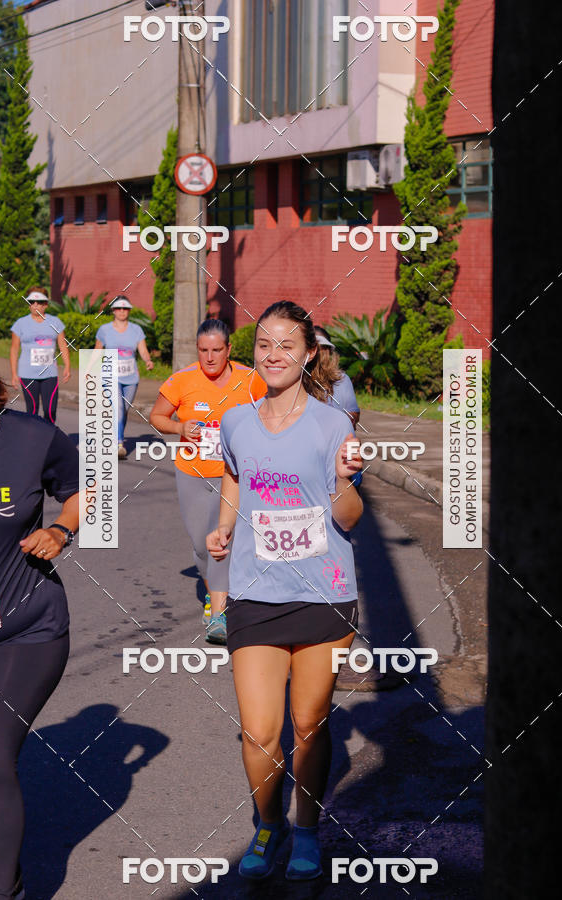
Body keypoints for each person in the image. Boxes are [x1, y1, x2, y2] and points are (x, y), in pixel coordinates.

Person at [206, 301, 363, 880]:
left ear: (307, 355)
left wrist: (344, 479)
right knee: (259, 730)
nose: (273, 355)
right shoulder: (236, 421)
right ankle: (267, 820)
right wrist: (224, 526)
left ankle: (306, 828)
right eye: (264, 345)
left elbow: (349, 517)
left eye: (286, 346)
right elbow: (233, 475)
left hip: (322, 593)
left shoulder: (332, 425)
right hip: (254, 590)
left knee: (307, 725)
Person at [0, 334, 80, 900]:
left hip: (23, 629)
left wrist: (60, 529)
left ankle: (2, 892)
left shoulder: (34, 439)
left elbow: (80, 491)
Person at [150, 319, 267, 644]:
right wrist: (180, 428)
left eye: (217, 350)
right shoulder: (182, 380)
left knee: (222, 543)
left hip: (235, 476)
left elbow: (272, 411)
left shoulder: (250, 380)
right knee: (202, 547)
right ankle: (216, 592)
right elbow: (157, 417)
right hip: (193, 474)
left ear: (228, 349)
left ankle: (220, 614)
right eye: (204, 351)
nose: (210, 357)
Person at [94, 295, 154, 459]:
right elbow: (98, 351)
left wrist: (148, 360)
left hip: (131, 378)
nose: (122, 311)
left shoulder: (136, 330)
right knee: (118, 408)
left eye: (125, 308)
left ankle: (114, 435)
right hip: (110, 376)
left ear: (129, 310)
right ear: (113, 310)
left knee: (123, 411)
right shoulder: (104, 330)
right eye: (119, 308)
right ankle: (118, 444)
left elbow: (142, 350)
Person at [10, 288, 70, 424]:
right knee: (32, 411)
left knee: (51, 410)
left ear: (46, 304)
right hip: (27, 373)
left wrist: (67, 366)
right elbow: (14, 349)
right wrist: (14, 373)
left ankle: (47, 437)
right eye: (32, 302)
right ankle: (33, 441)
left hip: (50, 373)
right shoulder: (20, 324)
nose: (35, 305)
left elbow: (62, 345)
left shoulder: (55, 323)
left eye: (40, 302)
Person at [314, 325, 360, 428]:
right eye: (313, 347)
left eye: (322, 348)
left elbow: (354, 414)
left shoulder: (342, 379)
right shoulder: (297, 378)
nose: (317, 353)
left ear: (330, 351)